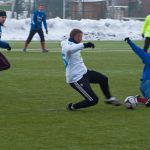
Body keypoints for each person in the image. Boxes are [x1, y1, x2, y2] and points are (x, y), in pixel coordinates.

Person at [61, 29, 121, 111]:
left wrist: (83, 45)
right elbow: (69, 50)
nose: (81, 39)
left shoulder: (68, 43)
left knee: (103, 79)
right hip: (76, 78)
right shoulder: (68, 47)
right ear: (75, 37)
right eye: (80, 37)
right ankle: (72, 106)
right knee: (93, 100)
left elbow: (68, 45)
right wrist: (84, 45)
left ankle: (109, 98)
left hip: (84, 73)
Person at [124, 37, 150, 107]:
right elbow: (138, 50)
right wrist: (130, 42)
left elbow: (139, 51)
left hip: (144, 84)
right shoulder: (148, 57)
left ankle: (138, 100)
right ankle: (147, 100)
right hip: (148, 84)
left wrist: (129, 42)